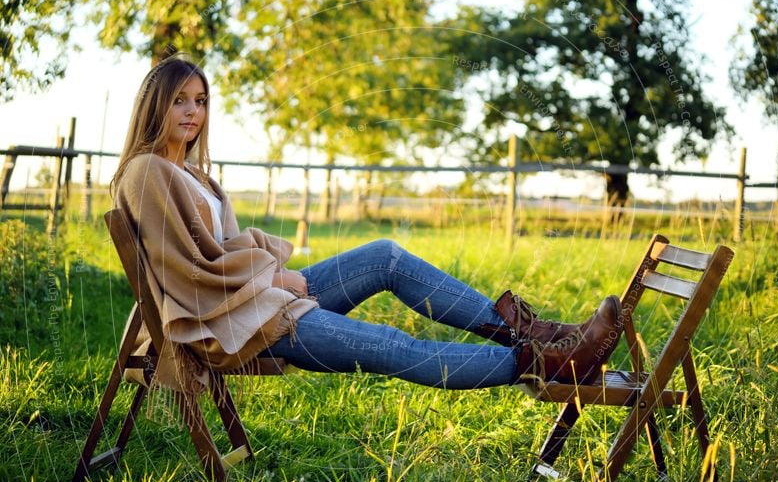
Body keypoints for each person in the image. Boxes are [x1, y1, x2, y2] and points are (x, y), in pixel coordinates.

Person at [111, 55, 622, 397]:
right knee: (392, 346)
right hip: (232, 324)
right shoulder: (147, 172)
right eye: (181, 100)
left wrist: (271, 278)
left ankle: (537, 333)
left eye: (200, 101)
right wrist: (271, 276)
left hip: (259, 302)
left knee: (385, 256)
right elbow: (191, 270)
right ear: (156, 103)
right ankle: (543, 365)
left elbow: (218, 249)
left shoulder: (189, 172)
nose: (193, 112)